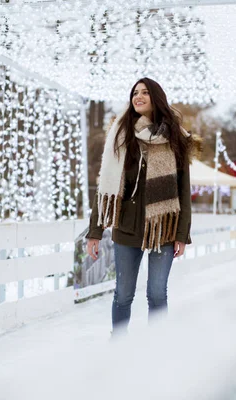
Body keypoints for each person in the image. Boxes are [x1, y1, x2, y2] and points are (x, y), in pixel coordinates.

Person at [85, 77, 198, 336]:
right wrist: (95, 231)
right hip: (126, 227)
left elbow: (183, 189)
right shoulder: (120, 135)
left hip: (163, 228)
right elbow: (107, 187)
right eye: (135, 92)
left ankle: (154, 349)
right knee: (123, 295)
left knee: (157, 294)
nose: (138, 96)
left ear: (156, 98)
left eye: (145, 93)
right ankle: (119, 347)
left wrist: (181, 234)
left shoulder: (176, 138)